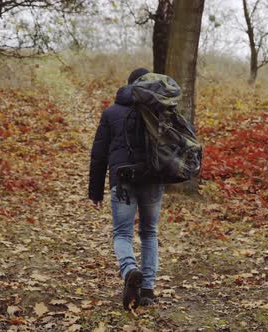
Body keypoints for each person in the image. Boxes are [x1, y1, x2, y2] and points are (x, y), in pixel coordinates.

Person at [88, 68, 164, 311]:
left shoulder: (111, 112)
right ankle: (148, 290)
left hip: (122, 180)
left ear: (128, 85)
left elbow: (98, 155)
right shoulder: (158, 110)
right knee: (149, 232)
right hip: (151, 179)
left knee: (122, 234)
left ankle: (130, 270)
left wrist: (95, 191)